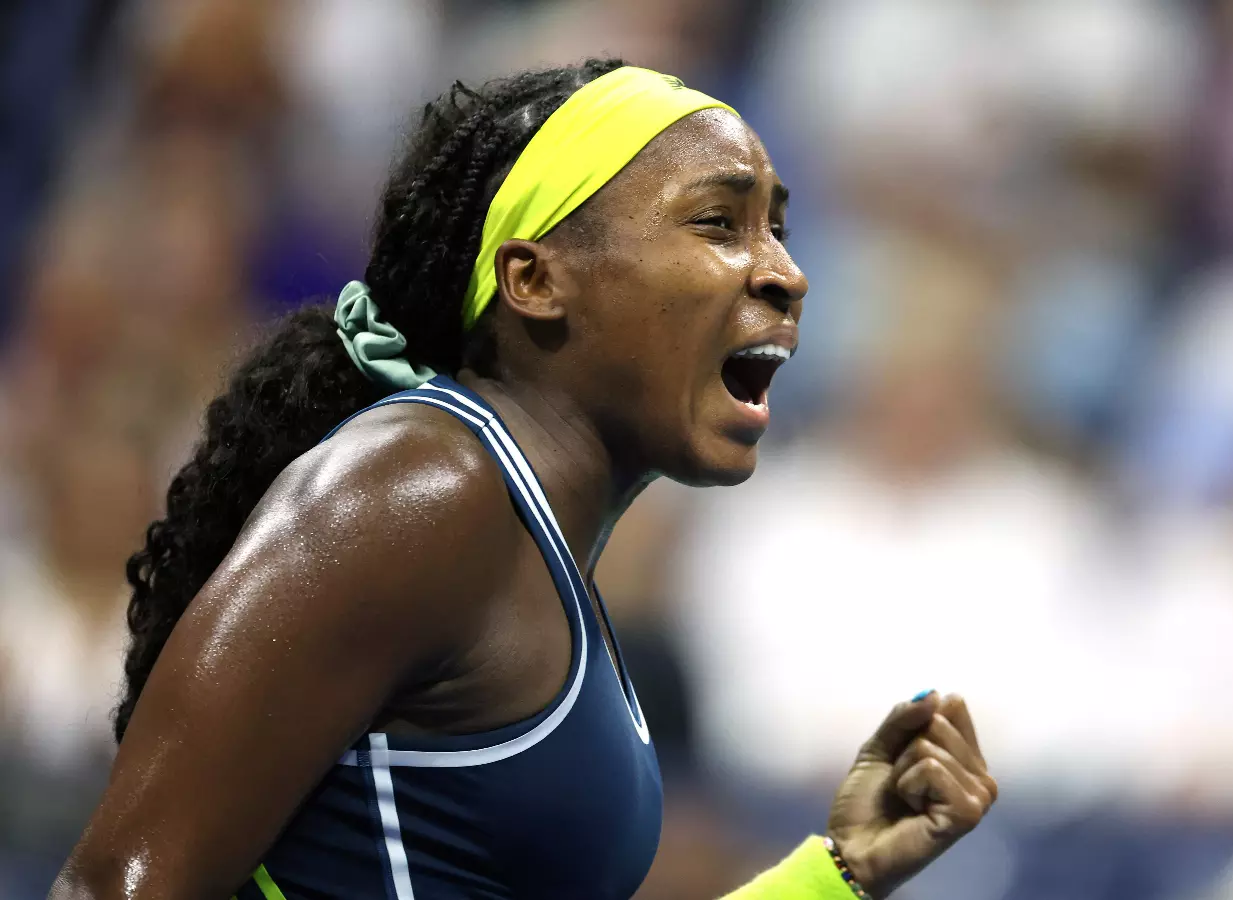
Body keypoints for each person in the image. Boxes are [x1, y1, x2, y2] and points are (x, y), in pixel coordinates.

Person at [47, 60, 997, 900]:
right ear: (535, 280)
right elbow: (112, 886)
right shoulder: (423, 489)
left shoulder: (529, 553)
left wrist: (837, 873)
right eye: (719, 222)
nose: (786, 273)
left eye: (777, 229)